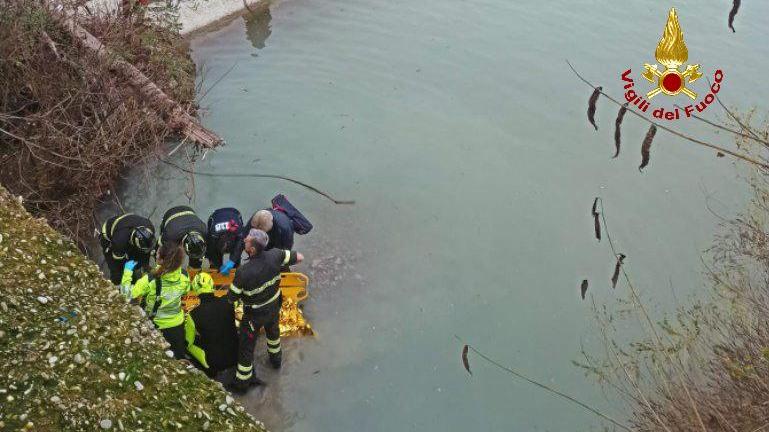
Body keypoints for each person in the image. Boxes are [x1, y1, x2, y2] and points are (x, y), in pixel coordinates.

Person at [226, 229, 303, 394]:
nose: (245, 239)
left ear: (252, 250)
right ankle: (276, 362)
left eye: (247, 240)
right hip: (274, 307)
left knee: (246, 348)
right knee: (273, 336)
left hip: (254, 317)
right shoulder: (275, 255)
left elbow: (231, 298)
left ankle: (242, 383)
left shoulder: (243, 272)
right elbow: (299, 257)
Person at [122, 242, 190, 359]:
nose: (155, 254)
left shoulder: (149, 280)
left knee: (157, 357)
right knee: (178, 359)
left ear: (162, 260)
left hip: (157, 326)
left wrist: (127, 273)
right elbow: (185, 292)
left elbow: (126, 295)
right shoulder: (185, 276)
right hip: (177, 326)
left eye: (157, 254)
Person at [184, 272, 238, 377]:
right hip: (236, 356)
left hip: (215, 363)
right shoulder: (227, 302)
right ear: (212, 286)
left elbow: (188, 342)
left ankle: (207, 371)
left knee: (189, 344)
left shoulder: (193, 314)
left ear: (195, 289)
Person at [99, 213, 156, 284]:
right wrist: (128, 272)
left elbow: (146, 252)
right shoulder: (119, 241)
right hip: (108, 238)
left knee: (142, 256)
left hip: (124, 225)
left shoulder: (149, 227)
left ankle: (144, 268)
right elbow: (119, 262)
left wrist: (145, 264)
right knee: (117, 271)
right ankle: (118, 285)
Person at [206, 207, 245, 276]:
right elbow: (211, 250)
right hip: (215, 215)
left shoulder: (239, 231)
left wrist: (232, 261)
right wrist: (217, 265)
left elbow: (239, 246)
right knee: (215, 259)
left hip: (235, 213)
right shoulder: (213, 234)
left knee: (236, 255)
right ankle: (216, 268)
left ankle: (236, 270)